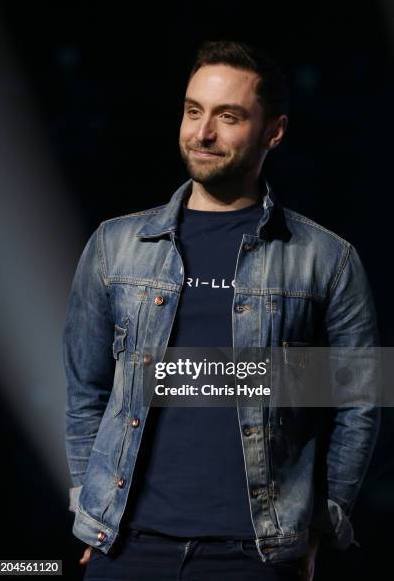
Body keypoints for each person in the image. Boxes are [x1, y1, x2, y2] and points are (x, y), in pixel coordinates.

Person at [63, 40, 380, 581]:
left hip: (256, 555)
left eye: (227, 117)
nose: (202, 133)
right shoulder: (116, 246)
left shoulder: (326, 260)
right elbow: (85, 391)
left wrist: (322, 526)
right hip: (129, 550)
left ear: (273, 131)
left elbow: (359, 404)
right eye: (193, 111)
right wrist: (89, 512)